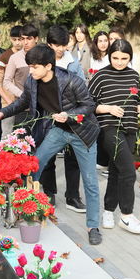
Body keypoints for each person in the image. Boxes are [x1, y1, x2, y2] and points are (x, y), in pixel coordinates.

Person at [0, 44, 102, 245]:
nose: (30, 71)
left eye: (34, 67)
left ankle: (93, 226)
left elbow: (89, 106)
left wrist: (69, 115)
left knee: (90, 181)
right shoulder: (32, 81)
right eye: (30, 66)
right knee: (34, 166)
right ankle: (26, 211)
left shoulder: (72, 81)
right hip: (58, 131)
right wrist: (2, 113)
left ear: (48, 66)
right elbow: (22, 102)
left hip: (82, 133)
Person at [89, 39, 140, 234]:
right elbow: (87, 104)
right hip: (110, 129)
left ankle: (108, 211)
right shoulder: (101, 76)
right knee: (129, 171)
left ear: (130, 57)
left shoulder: (134, 75)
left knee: (117, 171)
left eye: (124, 58)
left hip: (130, 128)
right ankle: (126, 216)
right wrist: (108, 108)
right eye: (115, 58)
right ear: (109, 56)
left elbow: (135, 100)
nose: (120, 62)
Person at [40, 25, 87, 212]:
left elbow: (82, 88)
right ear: (49, 44)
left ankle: (73, 196)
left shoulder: (73, 63)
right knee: (48, 156)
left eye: (63, 45)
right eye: (56, 45)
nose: (60, 49)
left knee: (73, 156)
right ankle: (49, 192)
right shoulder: (42, 61)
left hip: (70, 116)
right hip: (48, 116)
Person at [0, 26, 24, 138]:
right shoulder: (4, 57)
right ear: (10, 39)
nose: (17, 42)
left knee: (24, 135)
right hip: (8, 102)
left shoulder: (29, 55)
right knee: (7, 134)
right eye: (14, 40)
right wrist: (8, 100)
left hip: (25, 102)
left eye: (20, 39)